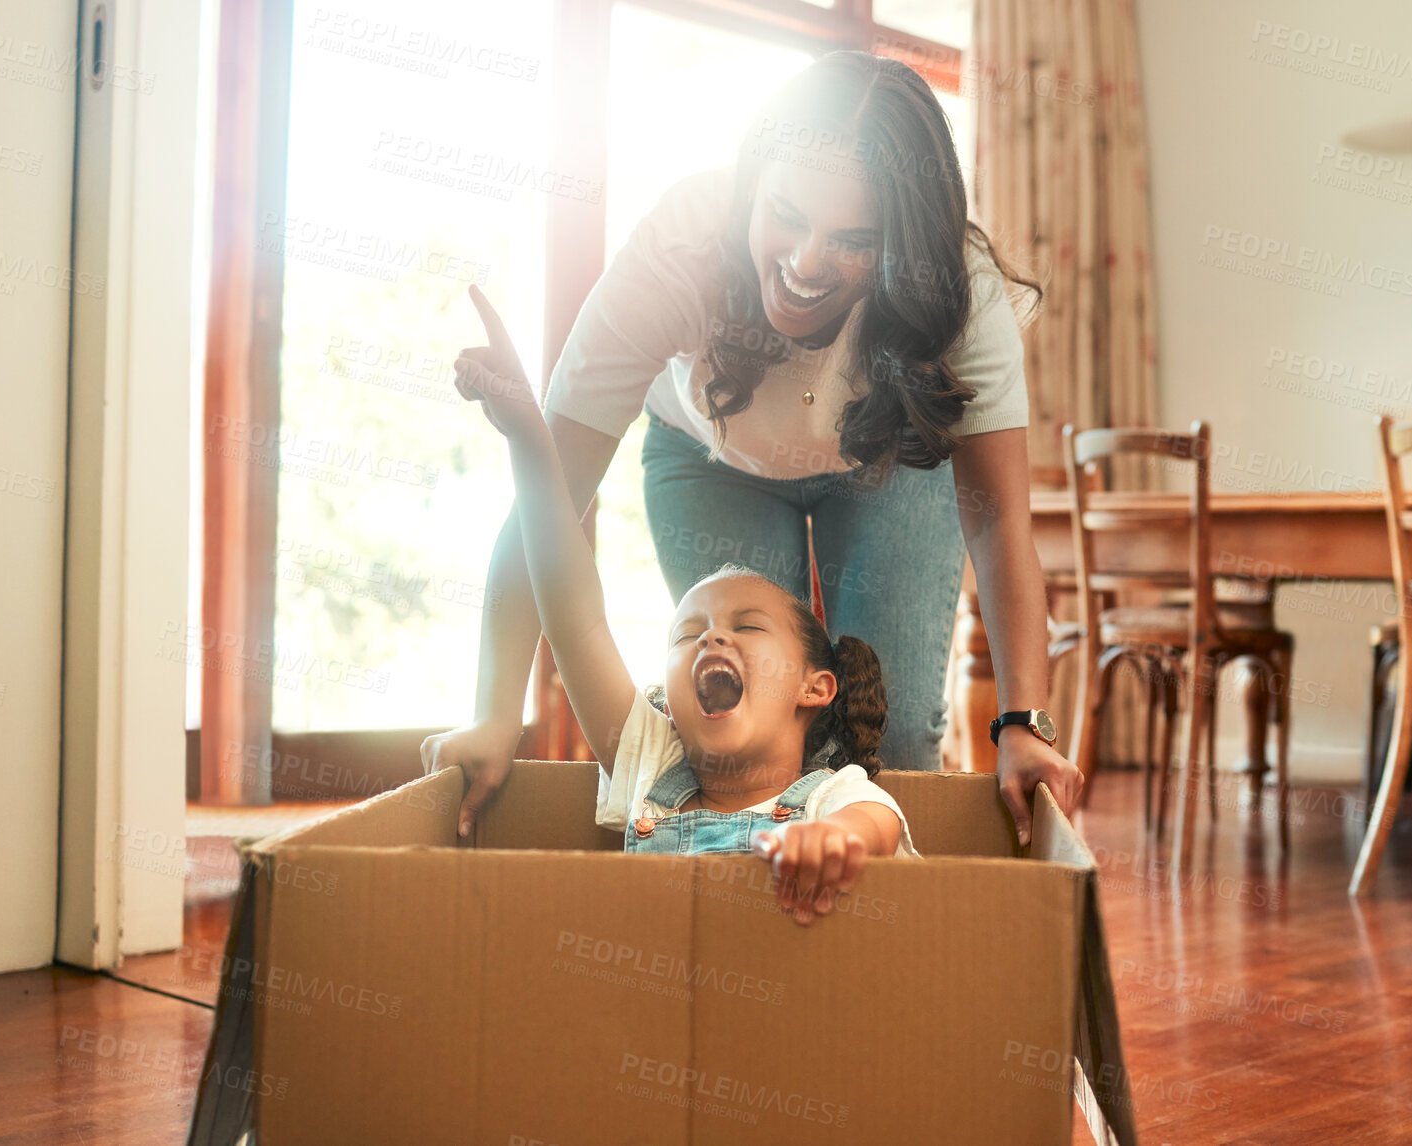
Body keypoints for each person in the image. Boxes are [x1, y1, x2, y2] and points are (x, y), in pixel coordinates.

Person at [424, 49, 1080, 847]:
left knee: (895, 735)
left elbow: (1000, 524)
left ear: (906, 246)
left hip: (886, 465)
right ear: (754, 183)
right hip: (707, 461)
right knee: (741, 733)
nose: (806, 263)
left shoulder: (958, 293)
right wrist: (495, 713)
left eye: (853, 239)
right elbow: (550, 500)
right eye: (790, 216)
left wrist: (1025, 723)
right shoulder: (679, 251)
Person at [457, 291, 918, 925]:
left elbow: (876, 827)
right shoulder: (650, 759)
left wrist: (834, 842)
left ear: (816, 686)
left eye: (746, 626)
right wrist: (528, 437)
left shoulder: (836, 795)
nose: (709, 641)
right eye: (688, 633)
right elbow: (573, 613)